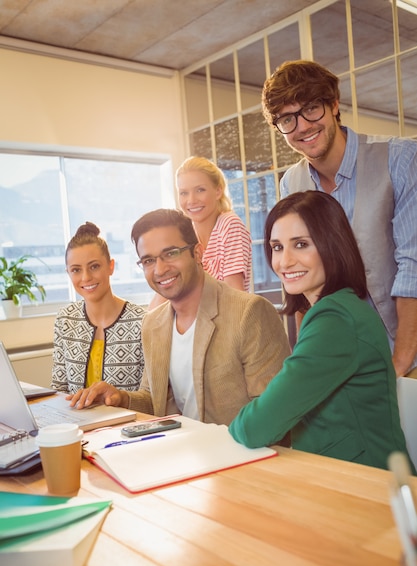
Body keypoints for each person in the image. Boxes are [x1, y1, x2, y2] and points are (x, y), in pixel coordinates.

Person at [228, 191, 414, 471]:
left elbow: (255, 428)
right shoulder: (343, 308)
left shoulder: (335, 319)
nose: (285, 261)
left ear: (333, 245)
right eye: (277, 247)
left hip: (370, 492)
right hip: (347, 479)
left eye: (301, 244)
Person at [261, 59, 417, 378]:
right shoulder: (292, 183)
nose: (302, 126)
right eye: (287, 119)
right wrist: (311, 360)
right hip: (344, 359)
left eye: (311, 108)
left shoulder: (399, 159)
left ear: (333, 104)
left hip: (406, 354)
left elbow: (412, 264)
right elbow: (303, 282)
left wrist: (400, 364)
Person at [68, 209, 290, 426]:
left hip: (238, 455)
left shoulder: (249, 313)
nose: (160, 269)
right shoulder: (153, 323)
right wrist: (121, 398)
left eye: (171, 253)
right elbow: (153, 400)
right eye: (148, 261)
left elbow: (274, 414)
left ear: (197, 253)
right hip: (180, 453)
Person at [51, 222, 146, 394]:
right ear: (68, 273)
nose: (86, 277)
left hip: (131, 420)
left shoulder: (142, 322)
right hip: (77, 420)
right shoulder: (65, 320)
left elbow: (150, 396)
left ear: (111, 266)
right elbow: (59, 389)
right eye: (76, 270)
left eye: (94, 266)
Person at [148, 157, 252, 310]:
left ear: (218, 190)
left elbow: (235, 294)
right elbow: (165, 291)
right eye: (184, 193)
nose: (191, 200)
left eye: (200, 190)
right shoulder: (184, 233)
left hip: (225, 324)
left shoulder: (229, 225)